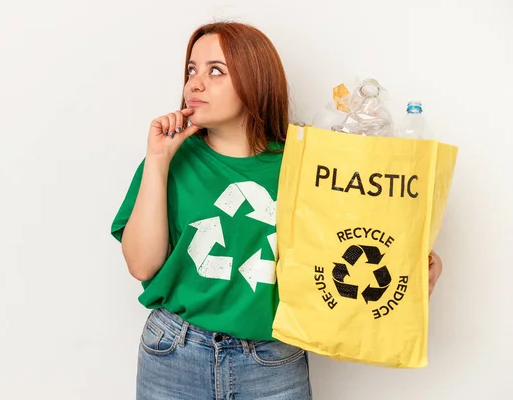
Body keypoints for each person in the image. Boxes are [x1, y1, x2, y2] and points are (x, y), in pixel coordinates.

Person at [111, 21, 444, 400]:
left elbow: (344, 251)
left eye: (215, 71)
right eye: (192, 70)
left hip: (272, 360)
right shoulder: (171, 159)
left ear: (255, 80)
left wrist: (407, 275)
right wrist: (157, 161)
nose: (195, 84)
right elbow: (142, 266)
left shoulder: (309, 164)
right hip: (173, 352)